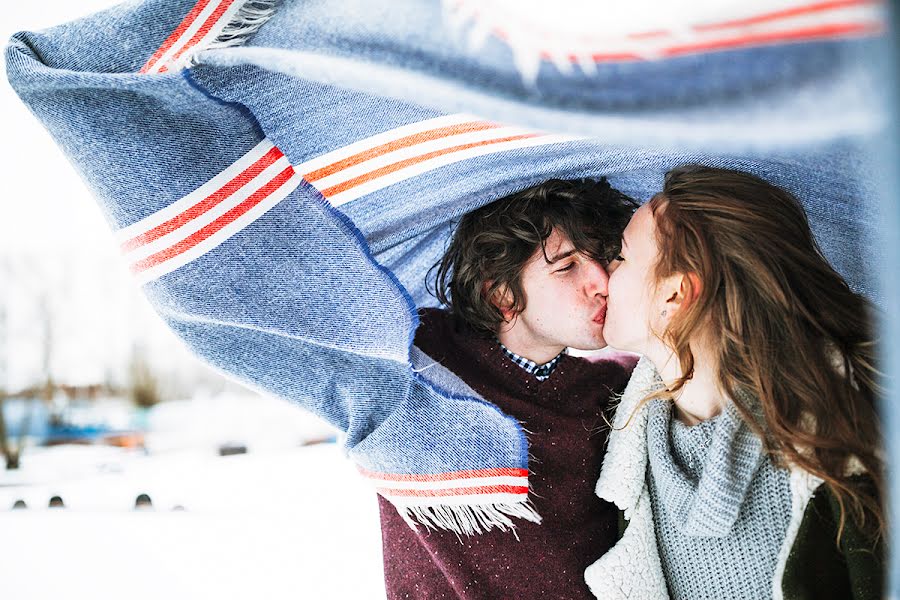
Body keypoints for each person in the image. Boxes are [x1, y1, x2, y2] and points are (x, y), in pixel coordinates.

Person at [585, 165, 885, 600]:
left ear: (676, 294)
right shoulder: (624, 451)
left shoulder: (843, 435)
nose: (602, 272)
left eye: (622, 255)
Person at [379, 178, 638, 599]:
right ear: (501, 293)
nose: (602, 281)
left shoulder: (617, 386)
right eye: (567, 266)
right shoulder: (421, 359)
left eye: (604, 259)